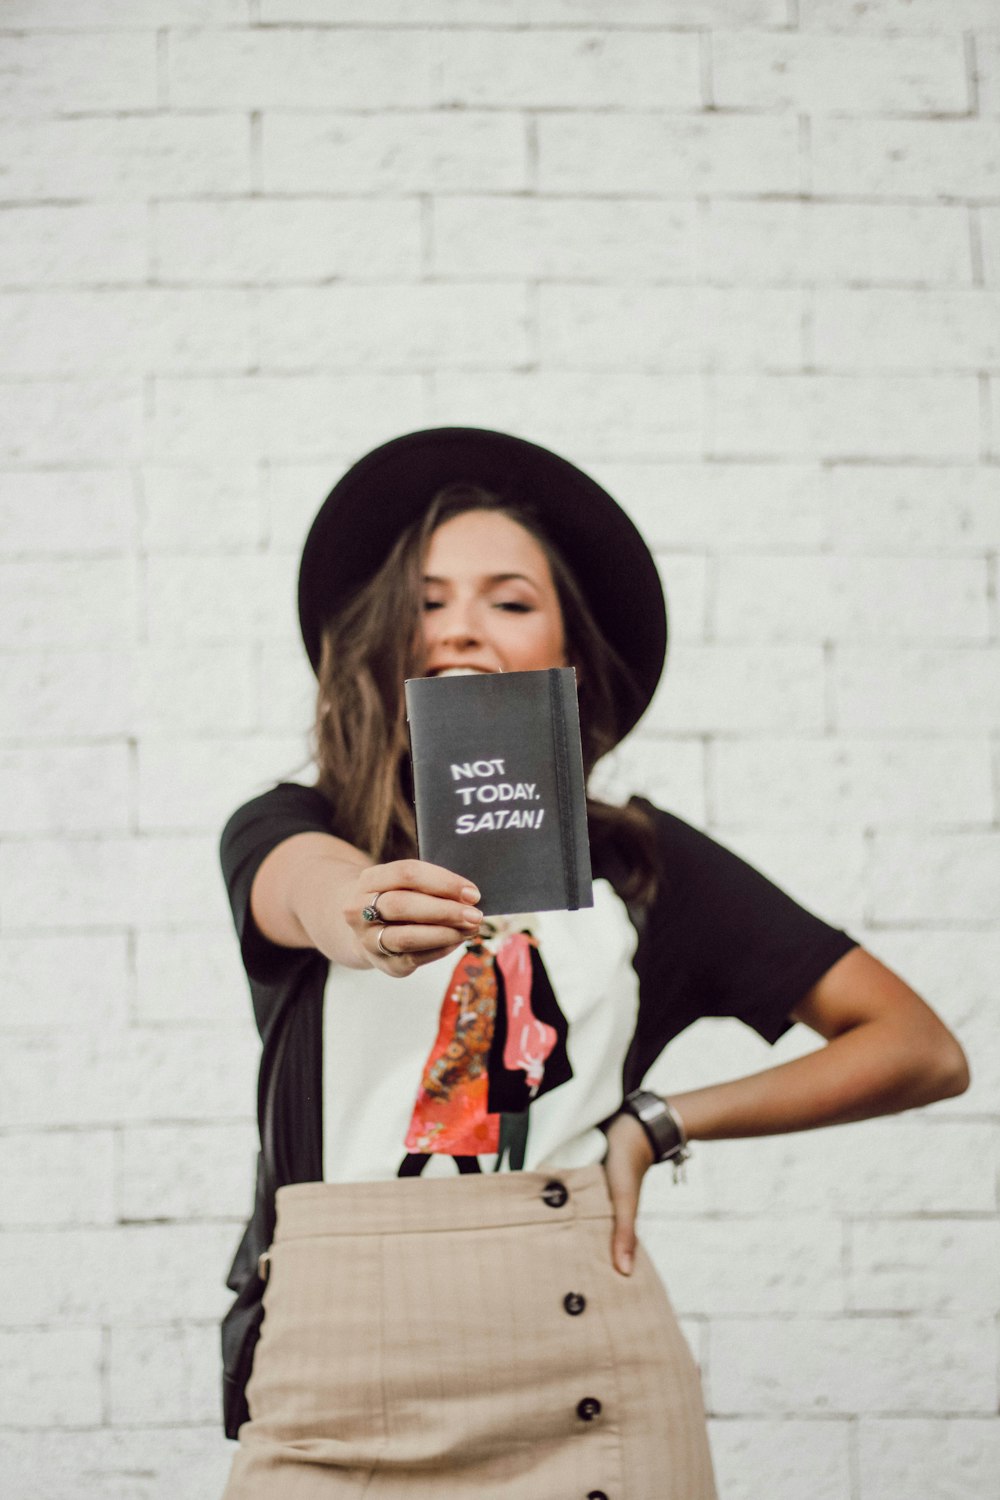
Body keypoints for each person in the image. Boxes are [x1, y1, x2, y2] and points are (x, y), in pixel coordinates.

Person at [218, 427, 970, 1500]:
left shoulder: (638, 867)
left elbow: (920, 1050)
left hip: (586, 1372)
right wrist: (364, 907)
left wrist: (657, 1123)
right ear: (383, 637)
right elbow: (305, 889)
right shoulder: (296, 825)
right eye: (426, 601)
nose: (462, 628)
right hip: (331, 1384)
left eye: (508, 601)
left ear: (566, 657)